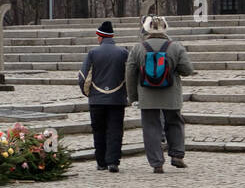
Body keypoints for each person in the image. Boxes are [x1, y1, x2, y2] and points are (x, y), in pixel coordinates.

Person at [125, 15, 195, 174]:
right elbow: (188, 70)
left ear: (147, 29)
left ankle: (157, 163)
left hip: (147, 95)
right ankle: (177, 155)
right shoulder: (176, 47)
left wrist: (133, 97)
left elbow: (129, 74)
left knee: (151, 127)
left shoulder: (138, 48)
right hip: (171, 94)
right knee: (175, 122)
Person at [77, 20, 128, 172]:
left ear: (100, 36)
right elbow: (130, 74)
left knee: (99, 130)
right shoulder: (123, 52)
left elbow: (83, 77)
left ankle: (101, 162)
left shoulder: (93, 53)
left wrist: (89, 94)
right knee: (115, 130)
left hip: (97, 99)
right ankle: (113, 161)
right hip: (117, 98)